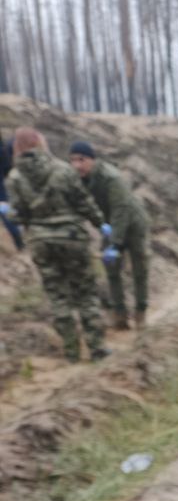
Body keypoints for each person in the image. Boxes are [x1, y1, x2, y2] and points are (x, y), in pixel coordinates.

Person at [6, 127, 109, 363]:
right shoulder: (63, 170)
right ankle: (97, 348)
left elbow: (17, 217)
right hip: (72, 238)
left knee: (58, 297)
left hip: (41, 243)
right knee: (85, 293)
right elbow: (84, 203)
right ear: (40, 144)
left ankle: (72, 352)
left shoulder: (14, 178)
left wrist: (11, 213)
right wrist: (100, 222)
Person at [69, 140, 150, 330]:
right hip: (110, 225)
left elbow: (121, 210)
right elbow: (78, 206)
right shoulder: (78, 179)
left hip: (133, 225)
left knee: (140, 269)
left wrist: (115, 244)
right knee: (112, 270)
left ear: (92, 160)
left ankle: (141, 313)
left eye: (81, 160)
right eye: (72, 160)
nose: (77, 165)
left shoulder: (110, 177)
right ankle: (120, 315)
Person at [0, 132, 24, 252]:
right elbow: (7, 170)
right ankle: (19, 243)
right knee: (8, 216)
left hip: (2, 193)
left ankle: (19, 242)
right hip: (2, 193)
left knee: (7, 216)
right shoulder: (3, 151)